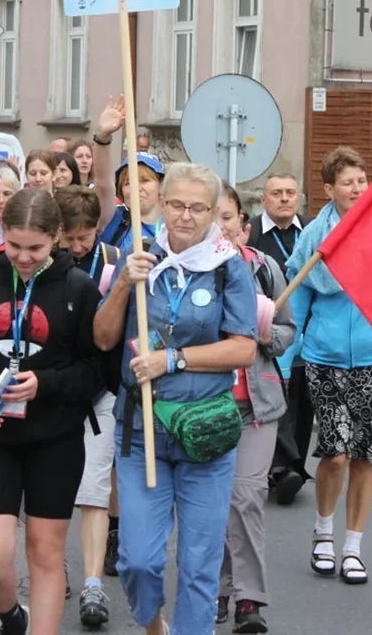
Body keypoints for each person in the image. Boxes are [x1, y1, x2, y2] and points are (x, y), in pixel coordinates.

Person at [94, 162, 258, 635]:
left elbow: (244, 347)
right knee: (138, 560)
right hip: (143, 434)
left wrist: (173, 360)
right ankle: (152, 624)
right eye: (176, 205)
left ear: (213, 212)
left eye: (198, 208)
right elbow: (103, 339)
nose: (185, 216)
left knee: (198, 564)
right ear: (161, 204)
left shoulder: (228, 266)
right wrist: (124, 282)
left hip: (205, 434)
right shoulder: (138, 254)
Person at [0, 188, 102, 635]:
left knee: (45, 553)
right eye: (14, 245)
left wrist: (45, 384)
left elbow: (97, 370)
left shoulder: (78, 288)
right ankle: (12, 617)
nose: (24, 257)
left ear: (56, 237)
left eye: (35, 247)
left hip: (56, 439)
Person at [286, 147, 372, 586]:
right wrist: (283, 356)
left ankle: (353, 546)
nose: (356, 188)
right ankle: (323, 533)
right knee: (334, 453)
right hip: (324, 357)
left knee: (366, 456)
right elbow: (299, 296)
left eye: (361, 180)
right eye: (347, 182)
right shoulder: (315, 236)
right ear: (329, 189)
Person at [214, 186, 295, 632]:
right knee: (217, 502)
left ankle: (248, 599)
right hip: (206, 407)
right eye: (215, 217)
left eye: (229, 218)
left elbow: (287, 331)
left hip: (257, 405)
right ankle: (219, 589)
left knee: (246, 497)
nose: (221, 227)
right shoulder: (193, 272)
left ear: (243, 226)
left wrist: (266, 336)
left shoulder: (265, 269)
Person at [53, 185, 124, 627]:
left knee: (95, 488)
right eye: (71, 238)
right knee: (53, 489)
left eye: (86, 237)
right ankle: (54, 564)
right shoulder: (45, 262)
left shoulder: (115, 261)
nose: (79, 246)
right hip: (53, 393)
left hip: (101, 391)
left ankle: (93, 584)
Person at [246, 172, 312, 505]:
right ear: (264, 200)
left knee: (302, 406)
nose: (284, 198)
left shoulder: (313, 232)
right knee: (277, 402)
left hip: (308, 334)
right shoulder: (253, 236)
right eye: (277, 193)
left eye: (290, 192)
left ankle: (294, 464)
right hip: (269, 332)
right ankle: (281, 469)